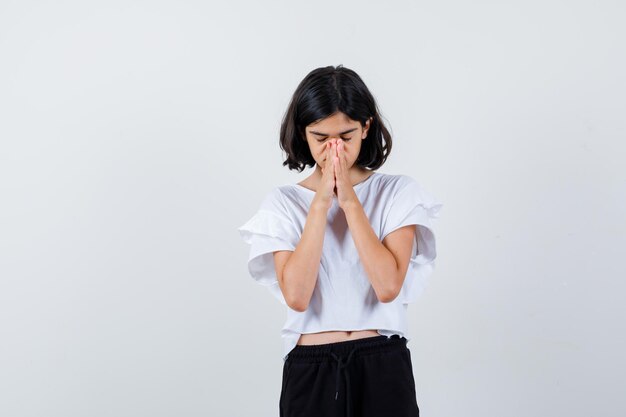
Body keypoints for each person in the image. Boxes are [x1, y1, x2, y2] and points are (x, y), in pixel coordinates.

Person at [237, 65, 443, 417]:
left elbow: (388, 285)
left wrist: (349, 200)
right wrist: (320, 203)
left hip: (381, 359)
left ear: (366, 126)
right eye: (321, 138)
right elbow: (298, 296)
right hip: (311, 366)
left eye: (346, 136)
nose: (334, 149)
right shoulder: (282, 203)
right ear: (303, 134)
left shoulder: (398, 193)